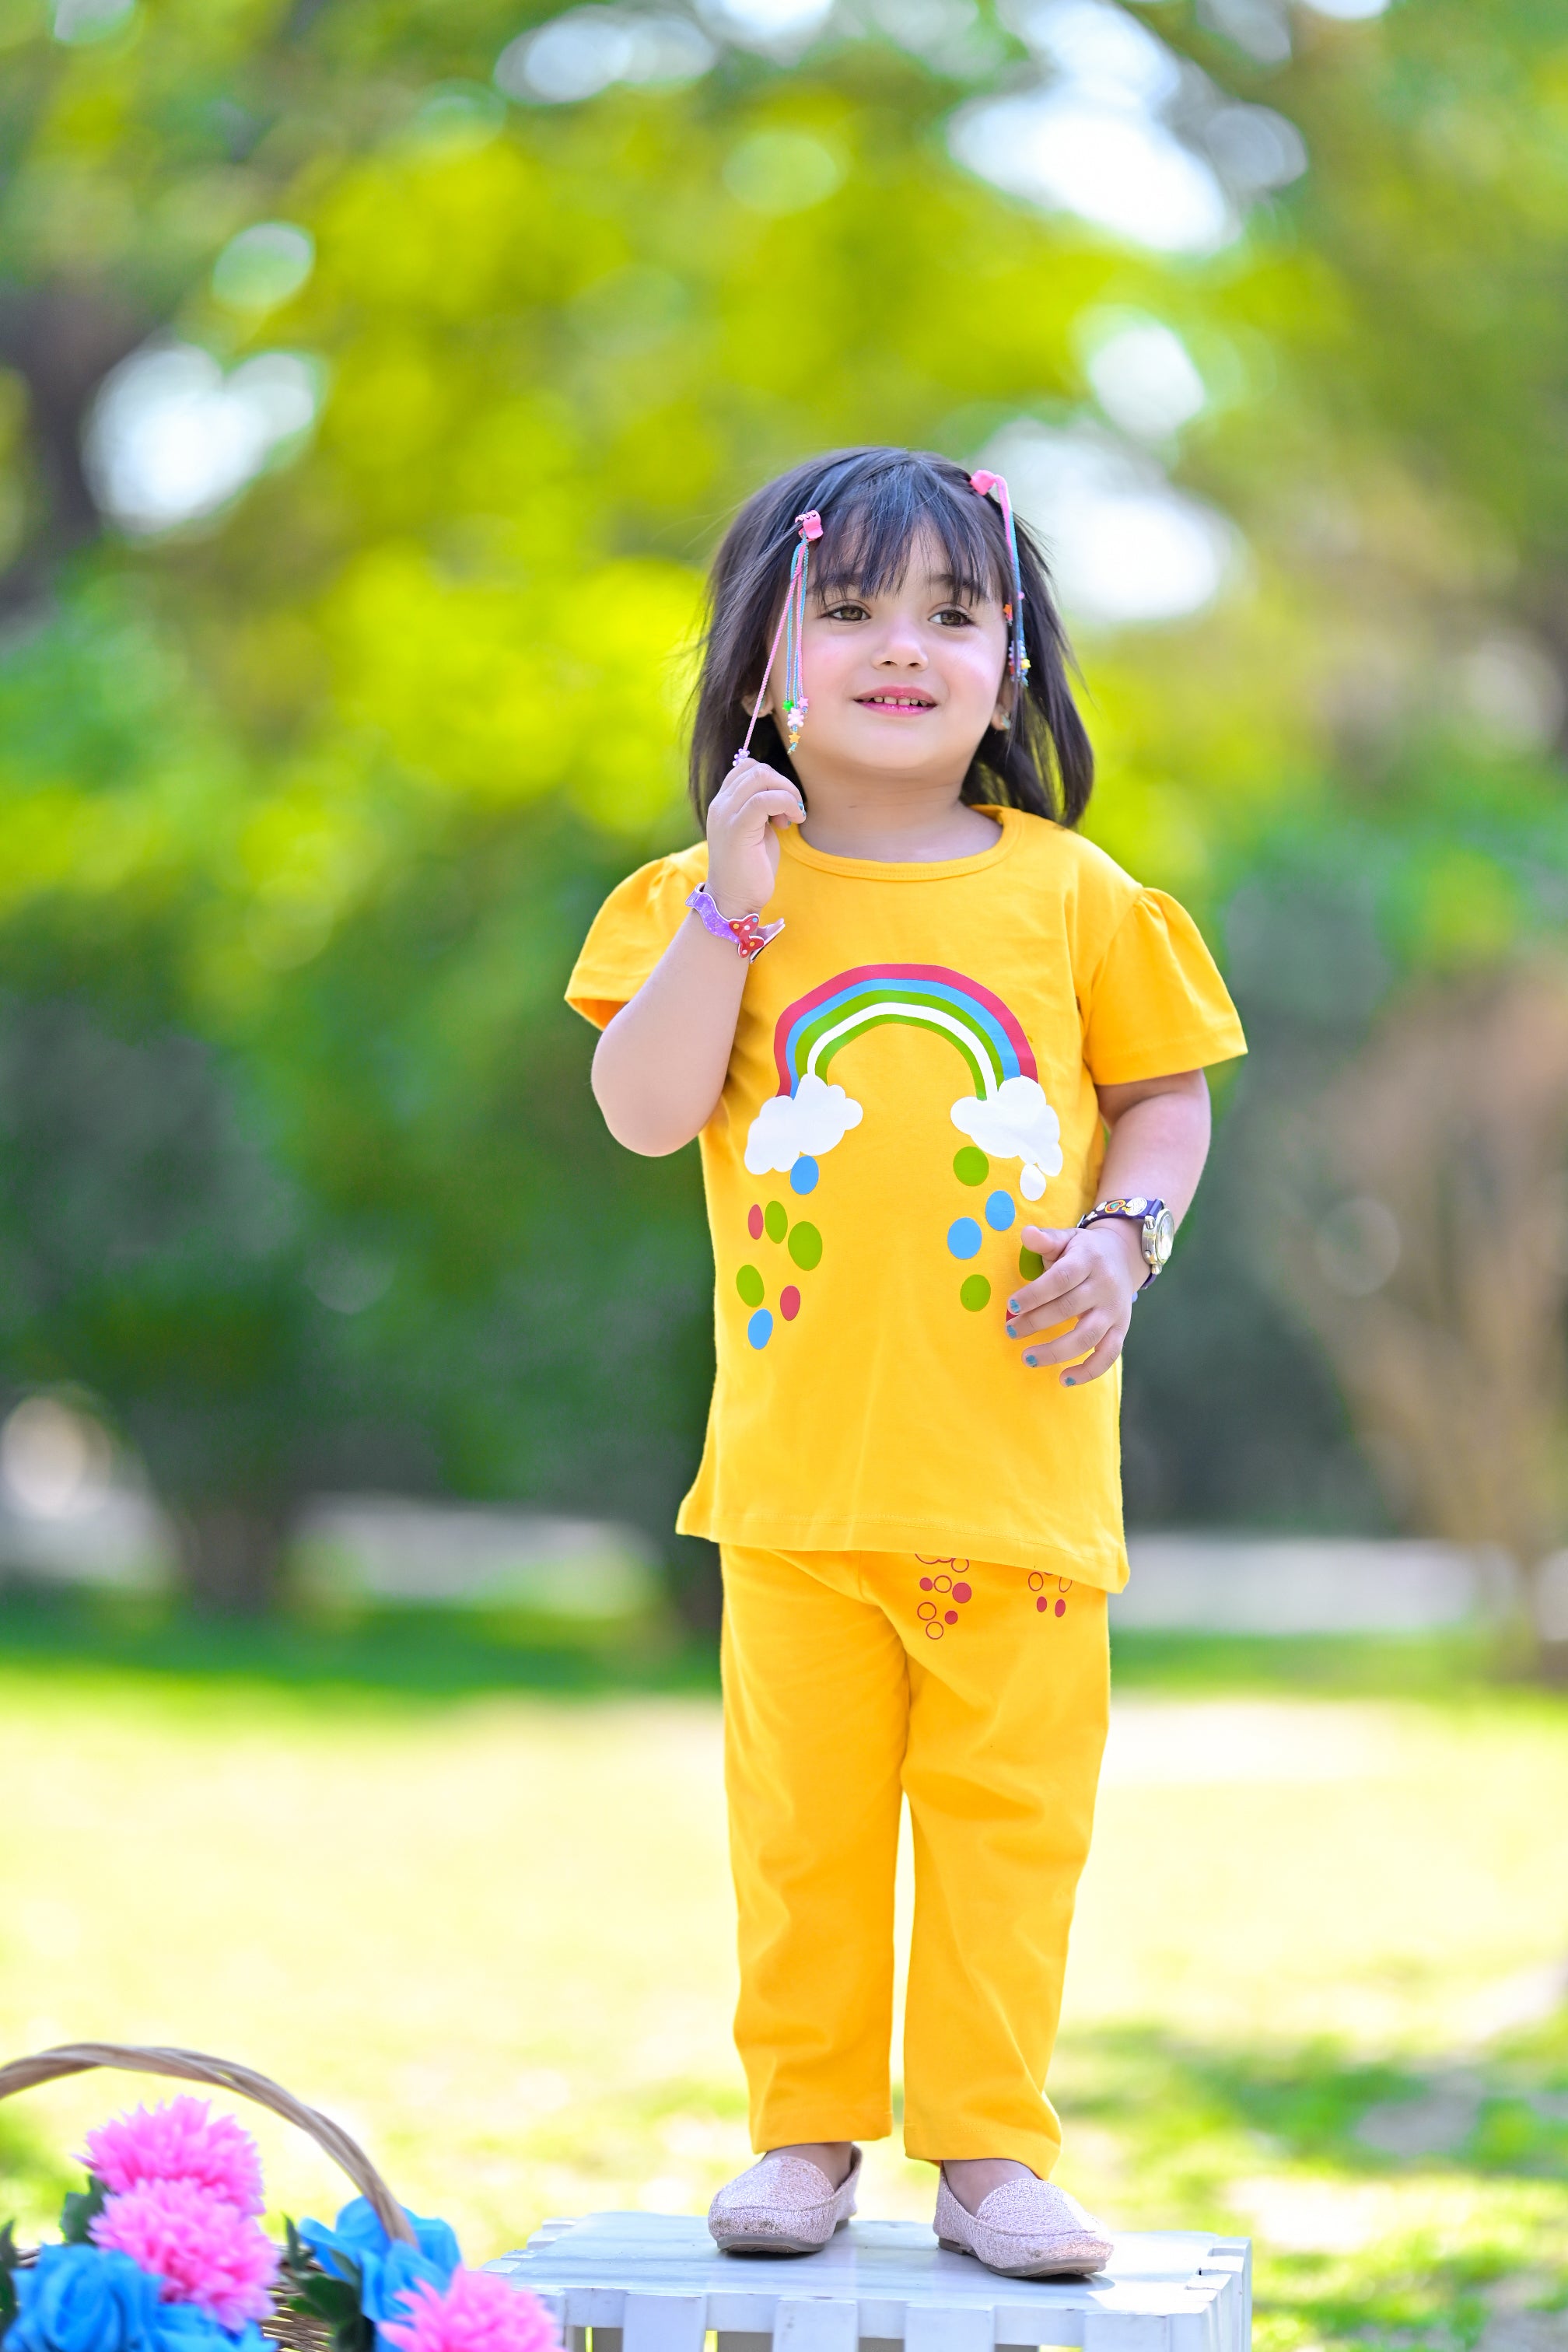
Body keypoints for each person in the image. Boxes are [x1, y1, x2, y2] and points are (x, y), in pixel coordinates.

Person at [566, 446, 1245, 2280]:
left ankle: (989, 2156)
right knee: (802, 1839)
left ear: (1011, 664)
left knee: (1012, 1843)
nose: (902, 645)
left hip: (1019, 1491)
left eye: (953, 613)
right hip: (797, 1494)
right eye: (850, 605)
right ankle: (803, 2135)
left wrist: (1126, 1238)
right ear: (764, 655)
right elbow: (640, 1111)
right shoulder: (696, 895)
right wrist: (732, 900)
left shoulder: (1075, 896)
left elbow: (1162, 1103)